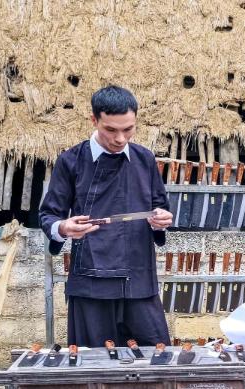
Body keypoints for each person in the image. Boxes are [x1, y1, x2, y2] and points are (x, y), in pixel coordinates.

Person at [39, 85, 173, 347]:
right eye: (111, 130)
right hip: (90, 283)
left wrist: (161, 221)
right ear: (94, 120)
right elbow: (48, 215)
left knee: (156, 361)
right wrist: (64, 227)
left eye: (128, 129)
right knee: (93, 366)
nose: (121, 139)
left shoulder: (145, 159)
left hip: (139, 280)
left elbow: (160, 208)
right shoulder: (71, 161)